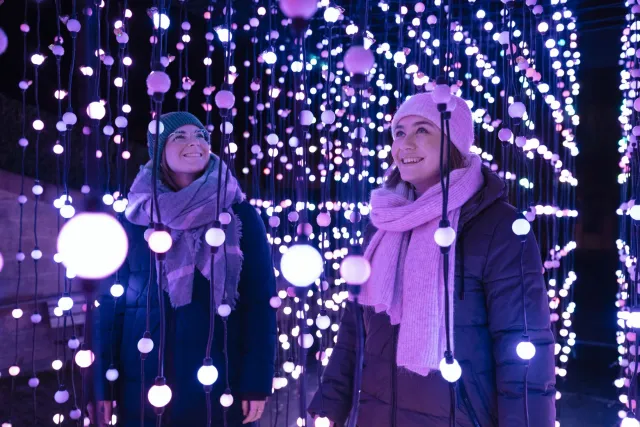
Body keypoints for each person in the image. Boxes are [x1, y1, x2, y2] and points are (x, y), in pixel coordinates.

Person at [308, 93, 556, 426]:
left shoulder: (499, 226)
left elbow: (523, 349)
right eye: (399, 132)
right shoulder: (382, 224)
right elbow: (355, 330)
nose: (404, 144)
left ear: (454, 142)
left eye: (422, 130)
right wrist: (328, 407)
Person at [91, 112, 277, 427]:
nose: (194, 143)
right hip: (142, 386)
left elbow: (260, 304)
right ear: (158, 149)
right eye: (180, 136)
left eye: (201, 136)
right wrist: (101, 384)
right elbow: (110, 306)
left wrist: (256, 381)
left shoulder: (240, 215)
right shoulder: (135, 219)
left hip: (219, 382)